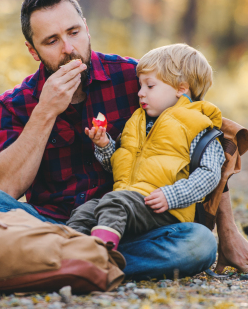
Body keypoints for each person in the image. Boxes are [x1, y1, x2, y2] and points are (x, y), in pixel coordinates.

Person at [0, 0, 248, 295]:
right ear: (33, 50)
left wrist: (227, 227)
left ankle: (30, 264)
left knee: (197, 244)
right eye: (51, 40)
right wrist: (46, 110)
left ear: (87, 28)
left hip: (122, 229)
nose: (69, 49)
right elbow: (7, 187)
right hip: (46, 224)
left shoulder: (132, 78)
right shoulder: (18, 102)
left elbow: (204, 141)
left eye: (73, 32)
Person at [67, 44, 225, 251]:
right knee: (85, 212)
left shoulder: (197, 124)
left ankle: (99, 257)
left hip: (165, 209)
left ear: (181, 89)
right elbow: (119, 166)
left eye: (149, 86)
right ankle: (66, 255)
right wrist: (105, 146)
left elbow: (210, 174)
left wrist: (172, 196)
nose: (140, 93)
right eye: (140, 86)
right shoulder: (137, 122)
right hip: (126, 200)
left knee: (115, 204)